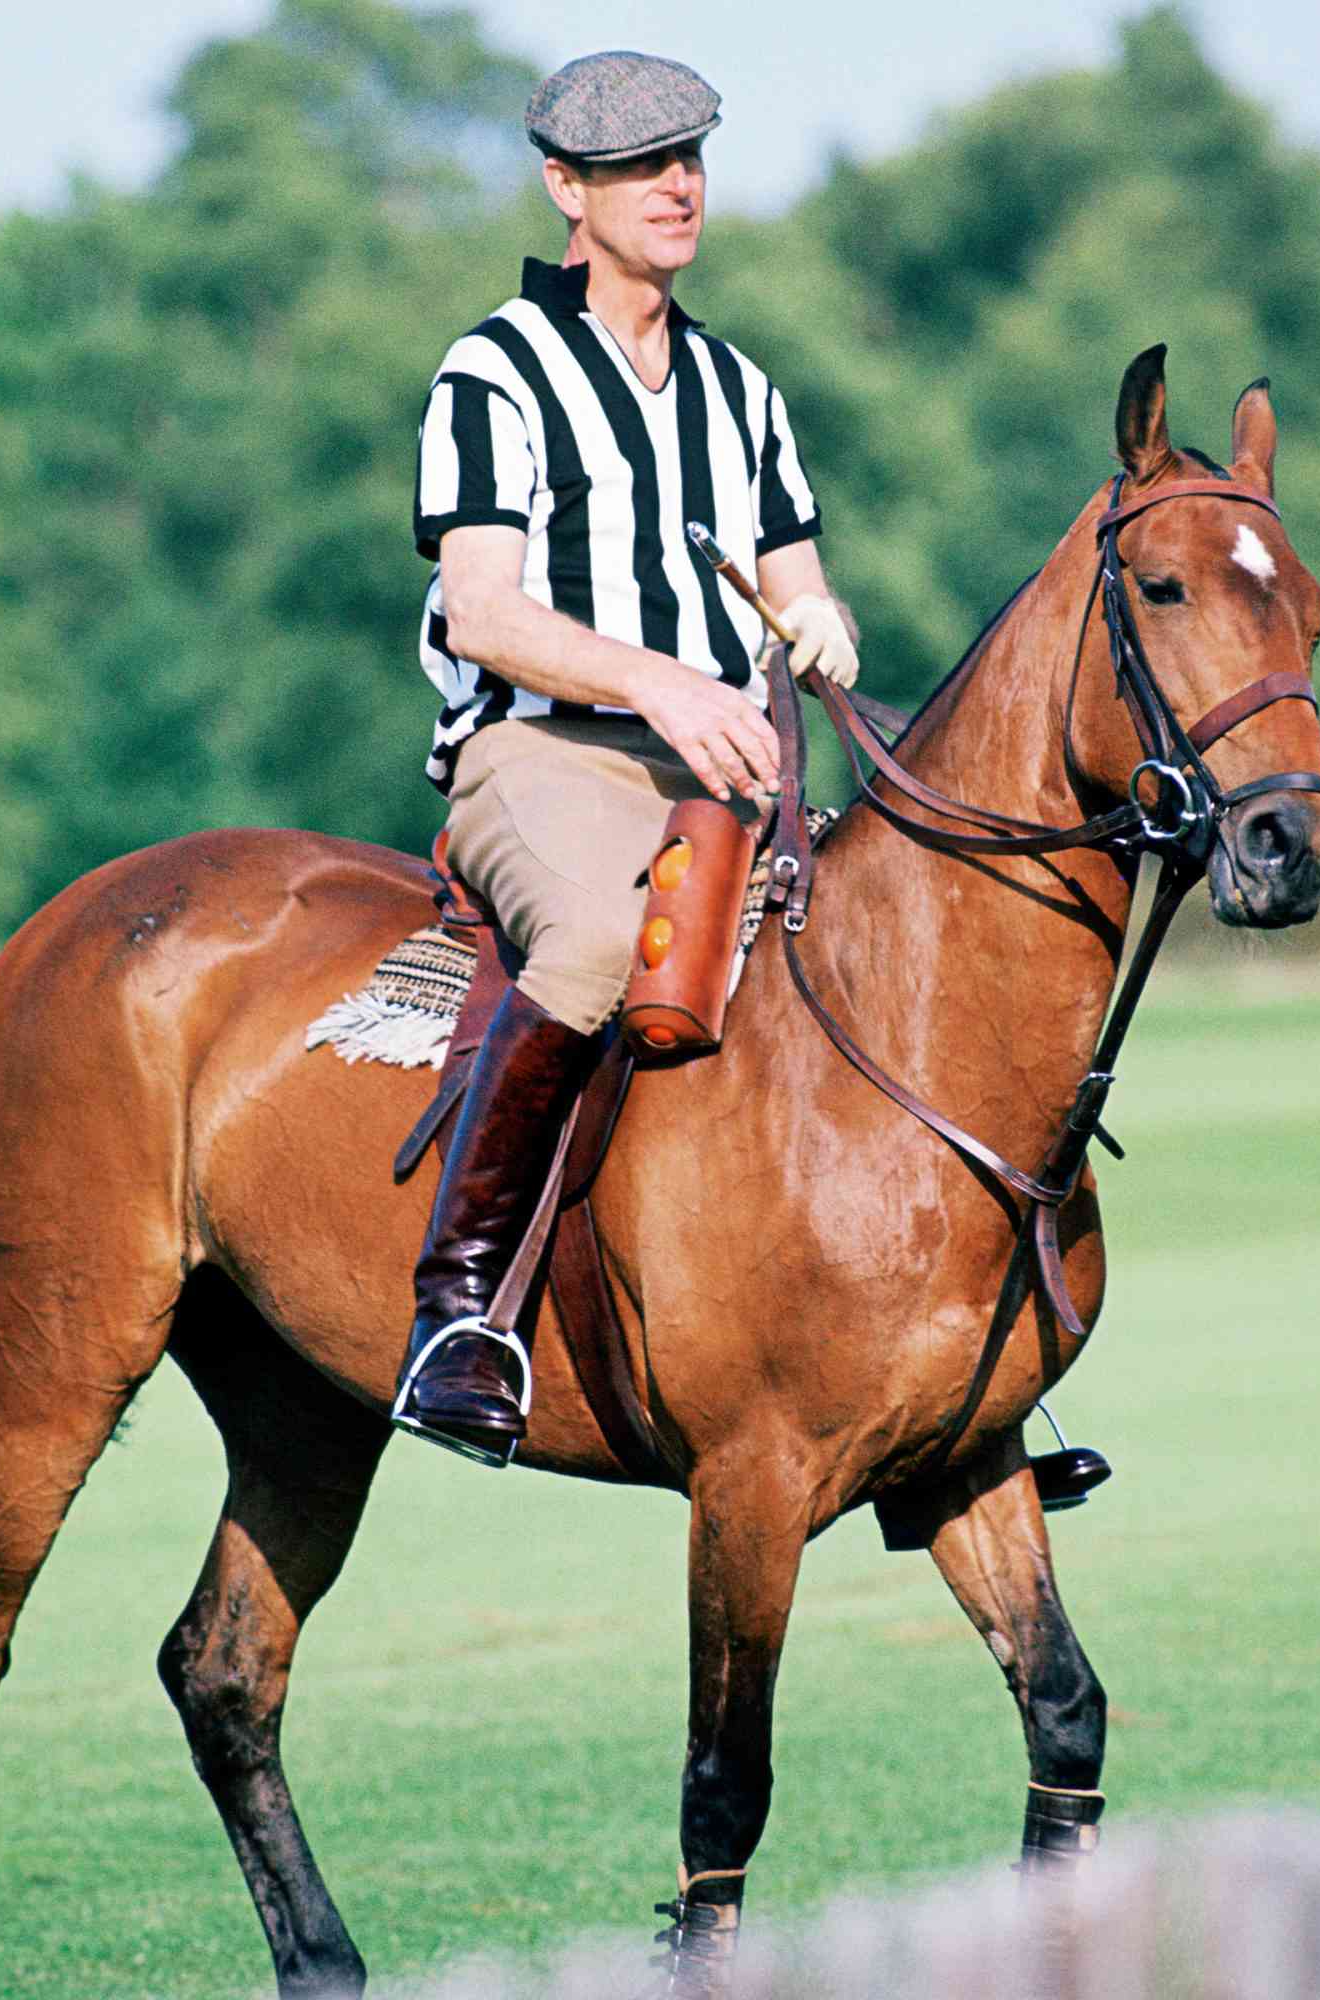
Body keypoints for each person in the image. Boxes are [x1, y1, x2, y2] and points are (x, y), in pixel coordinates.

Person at [391, 51, 859, 1466]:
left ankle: (918, 1356)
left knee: (883, 961)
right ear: (564, 189)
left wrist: (818, 618)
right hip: (544, 755)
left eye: (690, 159)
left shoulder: (739, 389)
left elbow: (791, 574)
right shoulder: (497, 370)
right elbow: (484, 609)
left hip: (724, 767)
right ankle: (460, 1308)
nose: (676, 186)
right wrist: (659, 685)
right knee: (598, 945)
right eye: (640, 166)